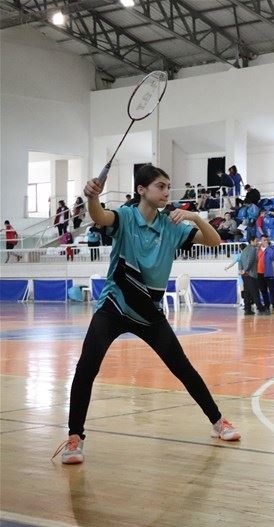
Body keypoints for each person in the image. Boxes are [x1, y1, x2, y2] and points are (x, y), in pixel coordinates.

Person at [52, 165, 241, 465]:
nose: (167, 192)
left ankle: (218, 422)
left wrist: (194, 216)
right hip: (114, 306)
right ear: (142, 190)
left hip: (149, 313)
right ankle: (75, 437)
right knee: (87, 366)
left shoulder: (173, 227)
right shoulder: (126, 217)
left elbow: (215, 241)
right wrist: (92, 198)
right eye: (160, 186)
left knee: (183, 368)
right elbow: (100, 216)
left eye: (168, 186)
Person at [239, 238, 266, 315]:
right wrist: (246, 269)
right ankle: (261, 309)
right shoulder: (253, 249)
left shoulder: (245, 250)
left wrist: (241, 269)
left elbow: (240, 260)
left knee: (247, 292)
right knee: (255, 292)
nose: (257, 242)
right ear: (251, 241)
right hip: (251, 274)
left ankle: (247, 309)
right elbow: (250, 261)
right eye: (256, 241)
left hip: (244, 275)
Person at [257, 235, 274, 313]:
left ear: (268, 240)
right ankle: (266, 305)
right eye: (263, 240)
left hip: (268, 273)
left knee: (272, 291)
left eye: (266, 240)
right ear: (261, 240)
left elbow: (272, 257)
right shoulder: (258, 249)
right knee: (263, 290)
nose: (265, 241)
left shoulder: (273, 249)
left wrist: (268, 247)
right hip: (259, 273)